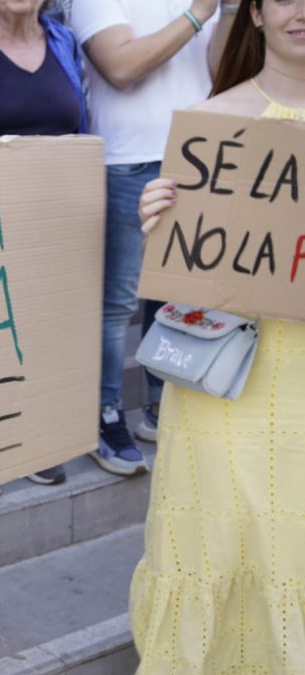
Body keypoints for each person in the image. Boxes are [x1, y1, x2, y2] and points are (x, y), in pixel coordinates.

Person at [131, 1, 305, 670]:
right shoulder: (212, 126)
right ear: (255, 14)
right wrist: (160, 223)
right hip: (222, 383)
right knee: (214, 543)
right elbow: (188, 279)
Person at [69, 0, 233, 476]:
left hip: (197, 156)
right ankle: (105, 416)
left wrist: (233, 13)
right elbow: (121, 67)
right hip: (128, 159)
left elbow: (219, 72)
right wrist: (200, 13)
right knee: (119, 303)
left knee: (178, 295)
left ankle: (163, 406)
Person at [0, 0, 86, 490]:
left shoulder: (62, 40)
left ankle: (29, 437)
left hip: (56, 215)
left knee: (42, 330)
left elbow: (79, 124)